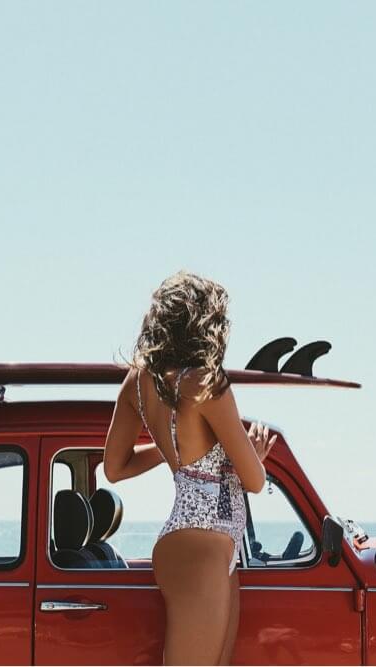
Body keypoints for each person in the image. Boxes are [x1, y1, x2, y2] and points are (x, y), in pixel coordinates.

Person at [103, 270, 276, 665]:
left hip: (199, 546)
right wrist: (253, 453)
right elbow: (254, 480)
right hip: (206, 550)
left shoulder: (138, 382)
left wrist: (176, 455)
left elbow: (114, 468)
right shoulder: (207, 383)